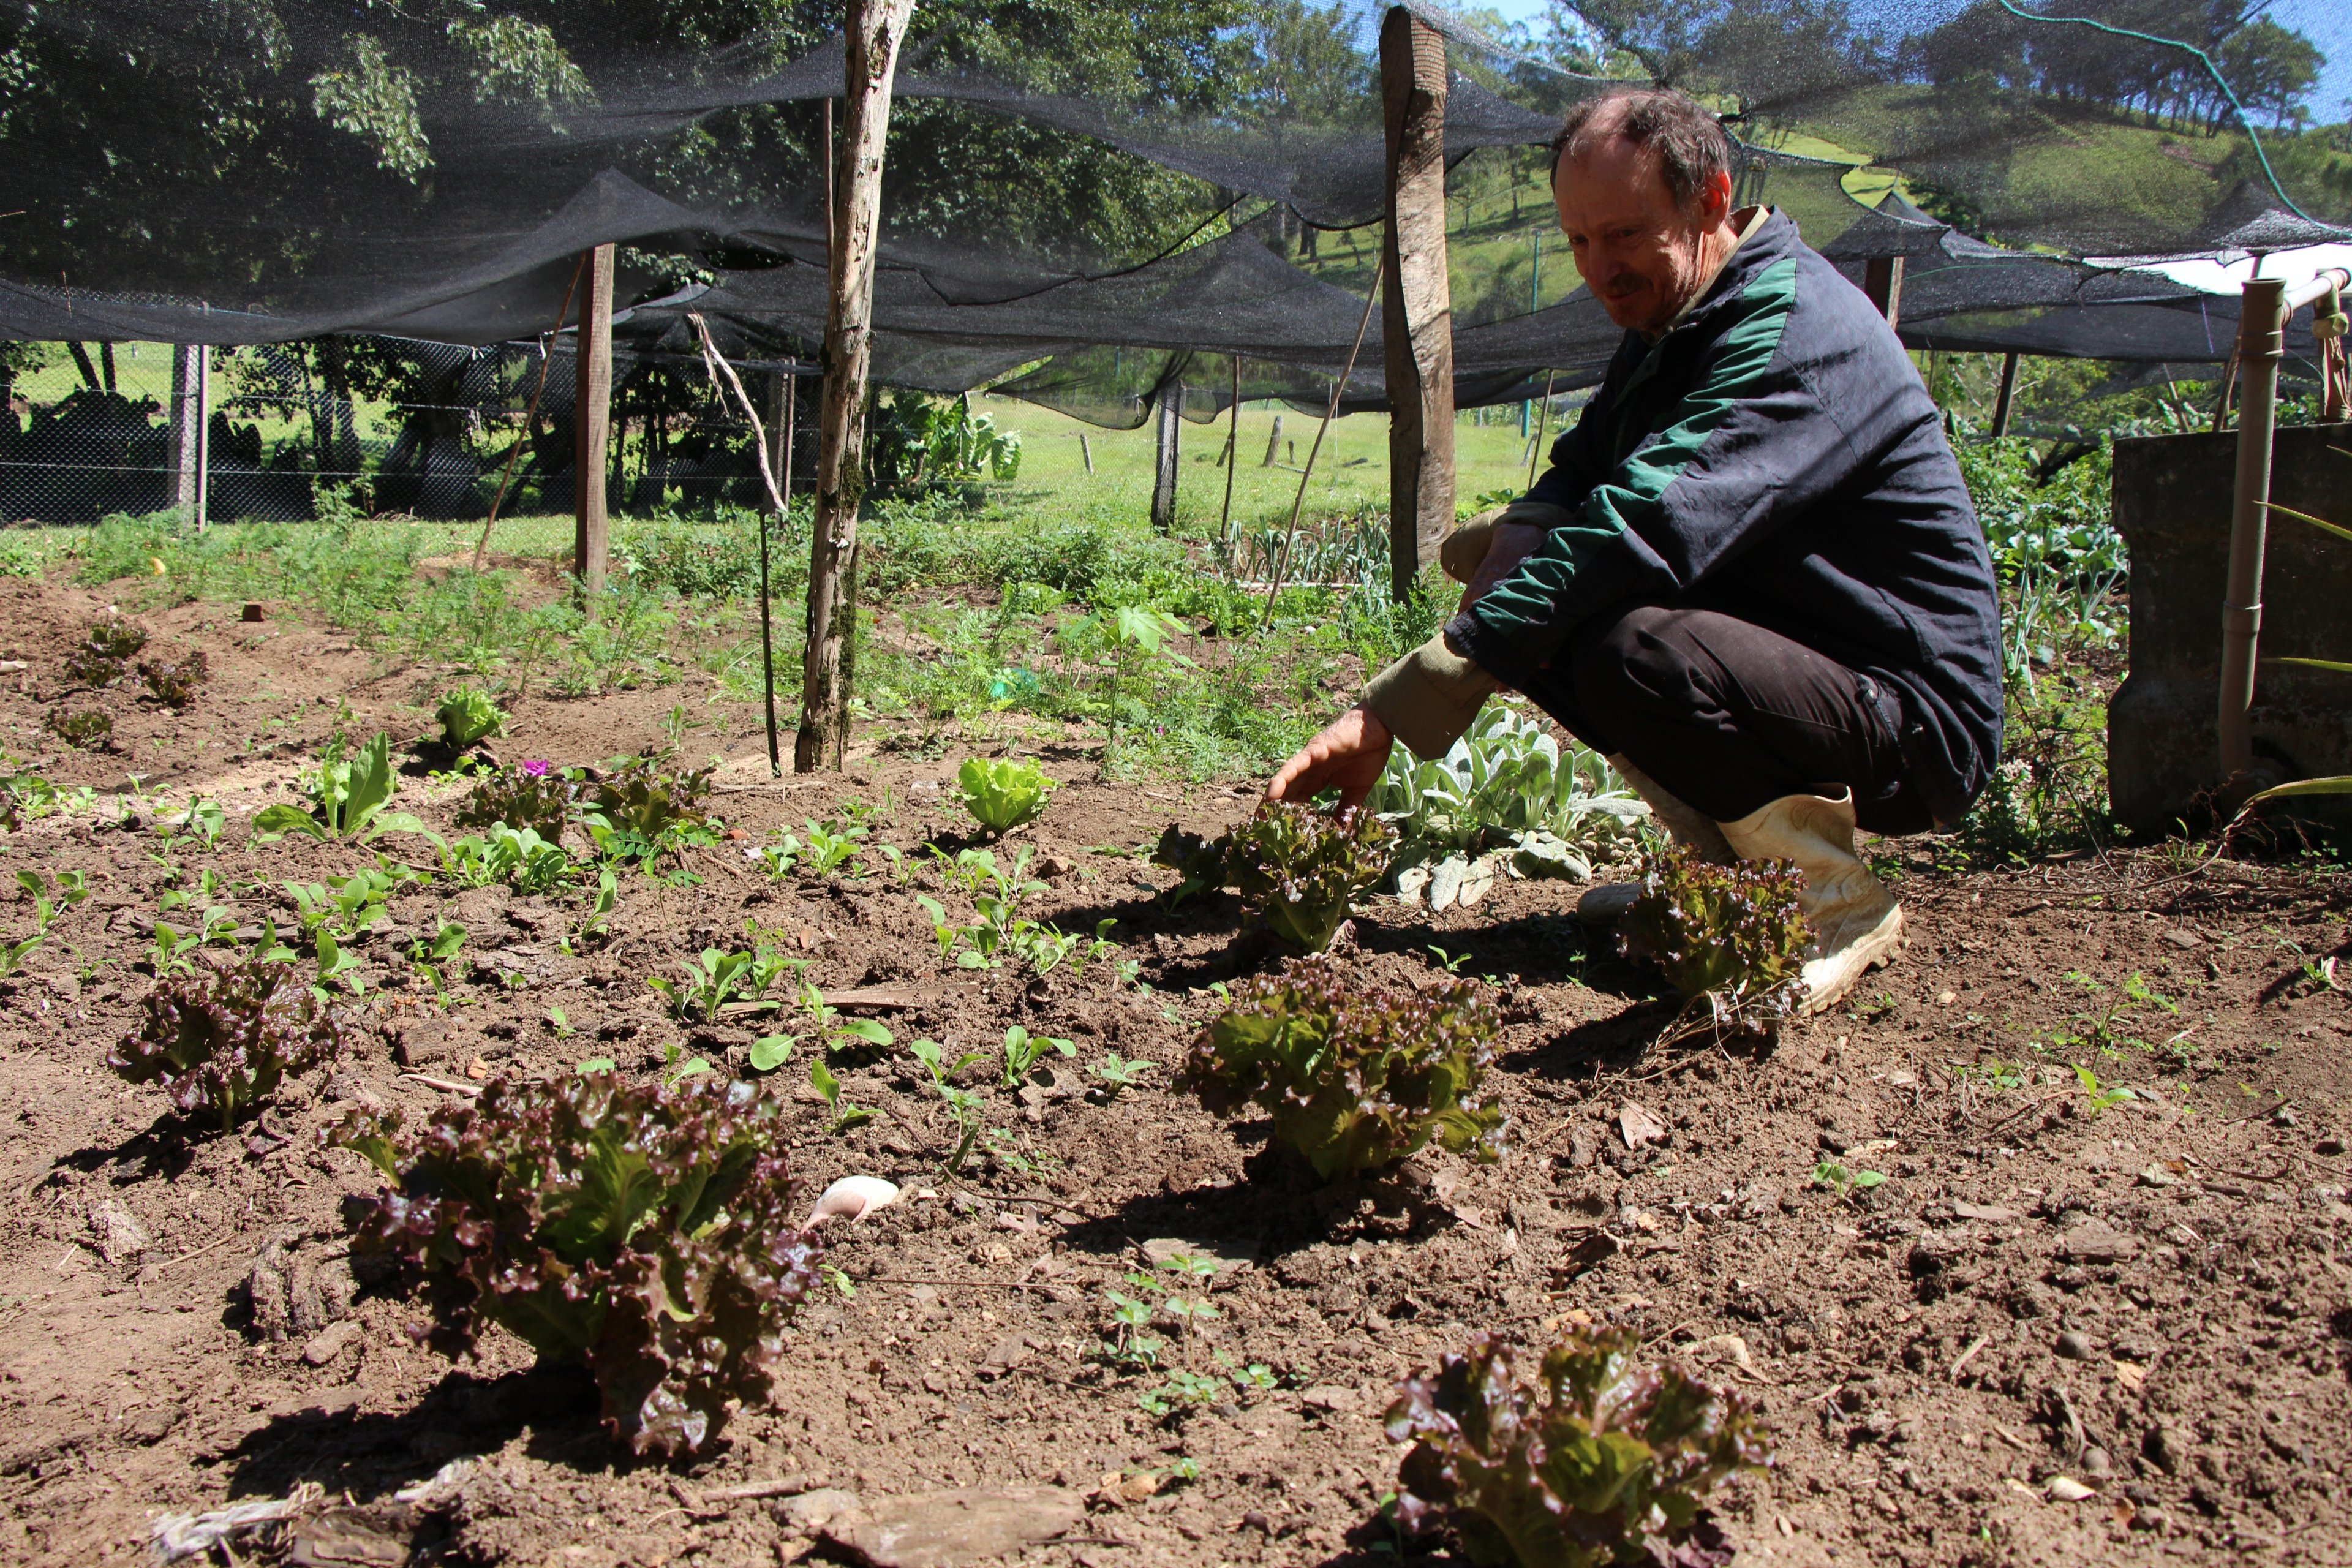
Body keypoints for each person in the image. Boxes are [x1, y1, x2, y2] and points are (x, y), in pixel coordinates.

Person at [1267, 85, 2003, 1013]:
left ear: (1711, 200)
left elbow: (1641, 525)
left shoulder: (1790, 329)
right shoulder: (1677, 321)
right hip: (1813, 670)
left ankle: (1831, 902)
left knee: (1626, 642)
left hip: (1914, 719)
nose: (1599, 270)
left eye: (1623, 235)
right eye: (1579, 241)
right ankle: (1735, 884)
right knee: (1542, 606)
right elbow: (1580, 471)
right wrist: (1512, 555)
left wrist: (1409, 698)